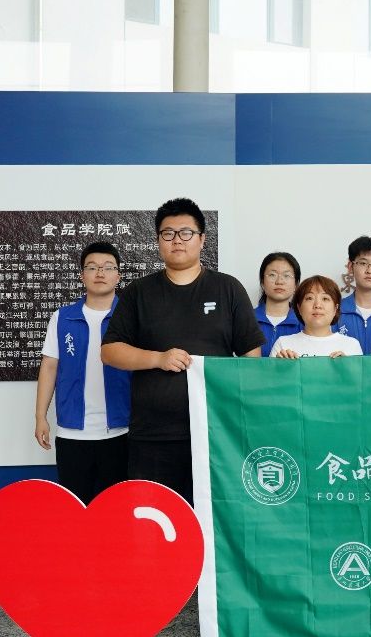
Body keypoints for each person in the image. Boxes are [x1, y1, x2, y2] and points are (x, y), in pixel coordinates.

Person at [101, 197, 264, 504]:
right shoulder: (139, 292)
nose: (177, 240)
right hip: (153, 436)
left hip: (215, 432)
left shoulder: (228, 289)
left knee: (212, 516)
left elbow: (250, 357)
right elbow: (110, 351)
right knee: (154, 517)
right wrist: (158, 358)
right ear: (158, 241)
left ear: (202, 239)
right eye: (168, 233)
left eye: (186, 232)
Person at [34, 241, 130, 503]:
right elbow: (49, 367)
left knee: (116, 507)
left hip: (121, 431)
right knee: (76, 507)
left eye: (108, 267)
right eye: (92, 267)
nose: (100, 273)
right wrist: (40, 417)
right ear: (82, 275)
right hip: (72, 434)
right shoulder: (62, 318)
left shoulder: (130, 317)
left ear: (118, 276)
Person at [271, 275, 363, 358]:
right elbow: (272, 372)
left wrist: (347, 366)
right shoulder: (283, 345)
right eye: (309, 298)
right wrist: (281, 367)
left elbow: (357, 373)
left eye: (325, 298)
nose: (317, 305)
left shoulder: (351, 346)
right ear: (299, 308)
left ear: (335, 308)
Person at [254, 252, 302, 358]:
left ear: (296, 285)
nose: (279, 281)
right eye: (272, 275)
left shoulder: (304, 322)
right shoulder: (247, 319)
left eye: (286, 275)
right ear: (262, 282)